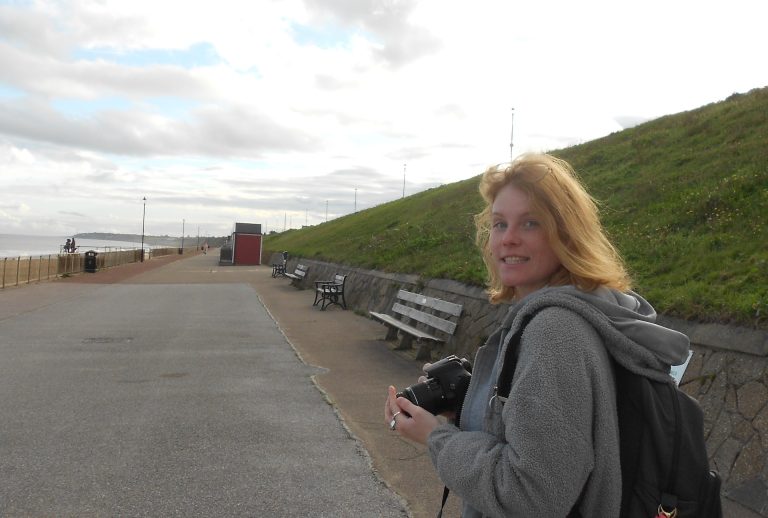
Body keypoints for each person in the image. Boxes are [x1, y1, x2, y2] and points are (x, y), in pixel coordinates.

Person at [384, 153, 690, 517]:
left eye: (530, 224)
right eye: (499, 224)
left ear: (566, 233)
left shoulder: (555, 333)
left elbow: (532, 495)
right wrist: (473, 408)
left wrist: (435, 437)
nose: (508, 239)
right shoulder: (591, 310)